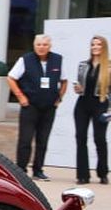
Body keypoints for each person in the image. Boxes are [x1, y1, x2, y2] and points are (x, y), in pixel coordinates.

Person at [8, 33, 67, 181]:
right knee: (25, 140)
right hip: (30, 106)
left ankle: (38, 170)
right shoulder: (25, 60)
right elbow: (11, 78)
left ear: (50, 46)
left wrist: (59, 98)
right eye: (38, 45)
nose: (41, 47)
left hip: (49, 107)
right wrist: (20, 96)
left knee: (43, 140)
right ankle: (21, 170)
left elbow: (64, 81)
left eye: (45, 45)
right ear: (34, 46)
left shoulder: (57, 60)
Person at [73, 35, 110, 185]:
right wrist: (78, 88)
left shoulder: (108, 66)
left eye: (98, 44)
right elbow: (80, 87)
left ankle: (103, 173)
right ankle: (83, 175)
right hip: (82, 104)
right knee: (80, 138)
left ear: (104, 47)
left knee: (99, 139)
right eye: (93, 44)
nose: (95, 47)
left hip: (100, 104)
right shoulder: (83, 65)